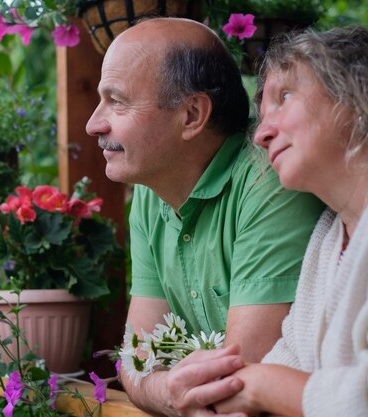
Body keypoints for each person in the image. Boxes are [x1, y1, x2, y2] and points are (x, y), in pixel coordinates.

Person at [85, 18, 325, 416]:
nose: (93, 123)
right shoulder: (150, 192)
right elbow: (137, 357)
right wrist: (167, 391)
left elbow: (239, 379)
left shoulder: (271, 178)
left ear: (192, 114)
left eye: (117, 100)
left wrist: (163, 383)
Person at [212, 26, 368, 417]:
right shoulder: (329, 235)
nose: (261, 134)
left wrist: (258, 385)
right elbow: (290, 359)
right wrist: (219, 388)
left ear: (365, 89)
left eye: (284, 96)